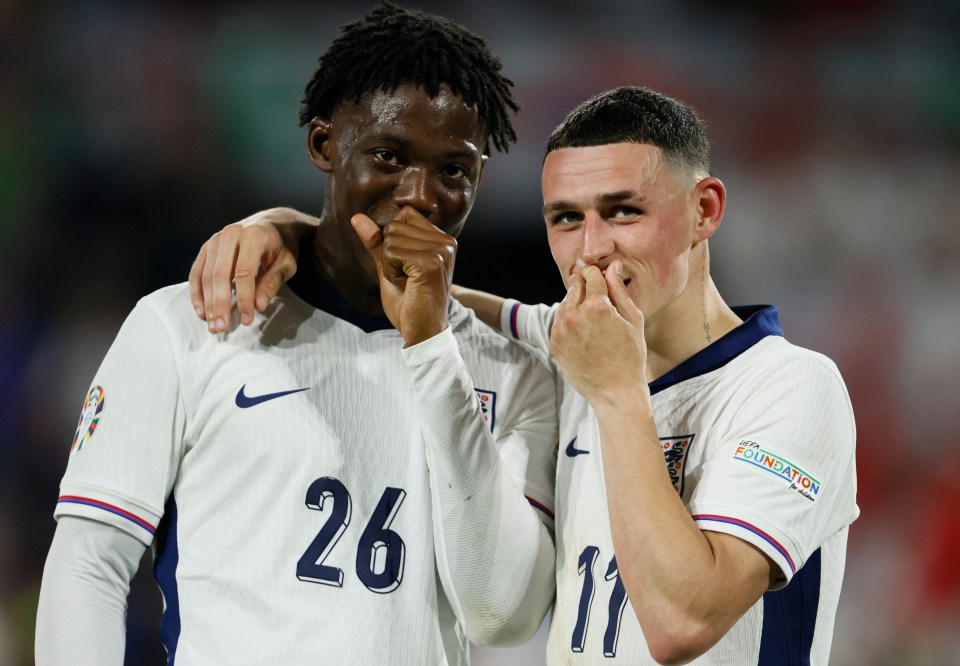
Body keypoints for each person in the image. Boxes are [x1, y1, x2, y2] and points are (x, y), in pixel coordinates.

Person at [194, 85, 859, 664]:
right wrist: (287, 233)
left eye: (624, 211)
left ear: (704, 211)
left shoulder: (790, 387)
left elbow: (683, 624)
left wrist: (620, 396)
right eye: (567, 219)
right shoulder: (567, 344)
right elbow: (420, 291)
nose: (592, 251)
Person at [35, 4, 559, 665]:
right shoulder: (188, 325)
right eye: (388, 156)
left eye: (453, 171)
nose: (420, 196)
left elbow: (502, 617)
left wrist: (430, 350)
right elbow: (89, 566)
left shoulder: (515, 373)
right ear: (322, 145)